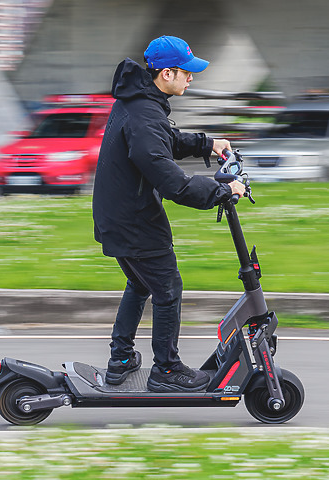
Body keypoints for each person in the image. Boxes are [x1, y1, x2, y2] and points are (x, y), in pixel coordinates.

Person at [92, 35, 246, 393]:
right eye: (186, 73)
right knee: (167, 289)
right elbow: (172, 181)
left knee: (141, 283)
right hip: (134, 221)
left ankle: (121, 359)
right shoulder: (144, 114)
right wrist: (224, 190)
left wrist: (208, 143)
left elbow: (166, 140)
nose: (191, 78)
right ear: (166, 74)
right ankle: (166, 370)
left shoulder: (141, 102)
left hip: (118, 216)